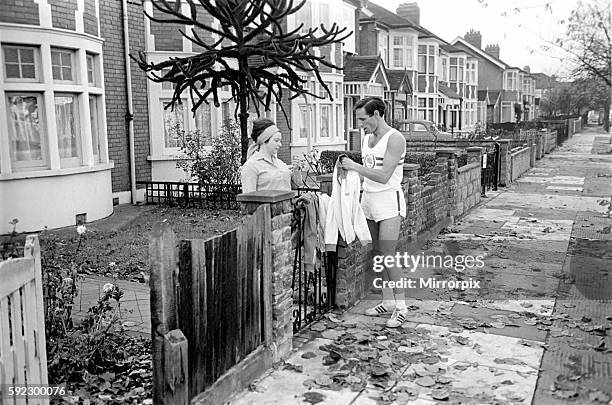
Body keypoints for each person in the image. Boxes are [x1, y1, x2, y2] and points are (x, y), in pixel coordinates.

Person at [338, 97, 408, 328]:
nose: (360, 124)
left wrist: (354, 166)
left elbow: (384, 175)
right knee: (377, 253)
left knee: (388, 254)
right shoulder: (367, 138)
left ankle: (401, 307)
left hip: (389, 201)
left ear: (377, 114)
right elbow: (367, 172)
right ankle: (387, 302)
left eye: (363, 119)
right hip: (369, 200)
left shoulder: (395, 138)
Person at [240, 118, 292, 193]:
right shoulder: (251, 166)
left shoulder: (281, 164)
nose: (280, 144)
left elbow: (295, 186)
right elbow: (249, 199)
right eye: (276, 140)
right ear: (264, 140)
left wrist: (297, 171)